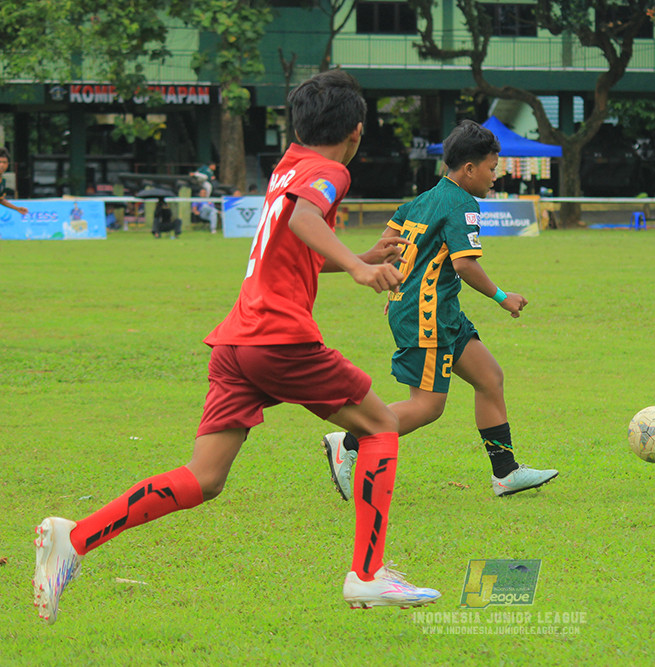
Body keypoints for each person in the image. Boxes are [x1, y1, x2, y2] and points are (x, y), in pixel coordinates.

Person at [31, 69, 440, 626]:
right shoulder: (328, 171)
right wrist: (356, 267)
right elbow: (303, 218)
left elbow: (292, 239)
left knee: (204, 478)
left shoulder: (289, 164)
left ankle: (72, 539)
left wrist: (359, 256)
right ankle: (368, 574)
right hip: (280, 338)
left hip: (238, 340)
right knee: (381, 428)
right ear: (357, 133)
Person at [323, 120, 558, 500]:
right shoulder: (462, 203)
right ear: (469, 169)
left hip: (439, 311)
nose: (495, 177)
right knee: (428, 406)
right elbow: (464, 265)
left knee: (490, 378)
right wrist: (503, 297)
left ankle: (506, 472)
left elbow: (389, 245)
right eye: (492, 168)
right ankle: (349, 442)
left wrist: (399, 288)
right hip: (427, 315)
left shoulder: (422, 199)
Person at [0, 147, 28, 216]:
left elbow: (0, 200)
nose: (2, 165)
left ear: (8, 164)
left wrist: (16, 208)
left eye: (4, 162)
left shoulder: (2, 181)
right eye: (0, 162)